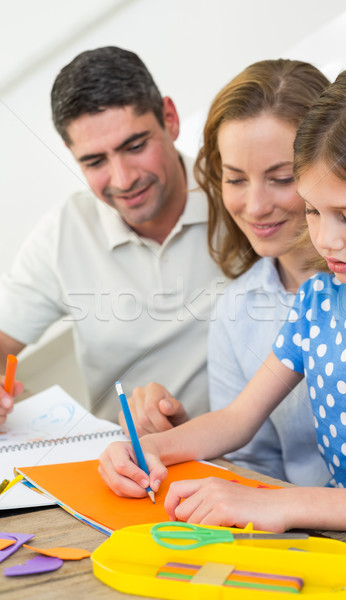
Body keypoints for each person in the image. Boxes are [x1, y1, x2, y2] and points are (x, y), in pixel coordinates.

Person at [99, 61, 346, 534]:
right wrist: (153, 448)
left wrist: (286, 505)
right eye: (315, 211)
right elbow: (238, 419)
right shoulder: (319, 300)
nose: (325, 239)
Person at [122, 59, 330, 485]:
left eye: (282, 178)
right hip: (312, 539)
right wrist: (182, 437)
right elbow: (255, 468)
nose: (254, 207)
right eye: (236, 179)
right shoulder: (237, 310)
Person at [0, 46, 224, 425]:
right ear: (71, 154)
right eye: (95, 161)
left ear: (169, 118)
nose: (123, 180)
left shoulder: (242, 198)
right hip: (128, 466)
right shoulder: (63, 233)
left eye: (135, 147)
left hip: (250, 462)